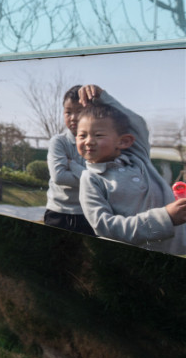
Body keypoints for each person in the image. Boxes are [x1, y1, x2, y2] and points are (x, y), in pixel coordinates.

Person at [75, 86, 186, 255]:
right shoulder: (91, 179)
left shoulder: (137, 157)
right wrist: (166, 218)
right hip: (140, 259)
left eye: (98, 135)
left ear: (124, 141)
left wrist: (103, 97)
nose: (89, 141)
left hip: (177, 249)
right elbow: (106, 228)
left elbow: (137, 123)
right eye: (82, 135)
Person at [44, 85, 98, 236]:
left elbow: (99, 180)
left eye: (79, 111)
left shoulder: (97, 144)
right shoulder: (59, 142)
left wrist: (71, 165)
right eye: (68, 112)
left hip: (89, 214)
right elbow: (60, 177)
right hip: (58, 213)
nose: (73, 117)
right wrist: (89, 177)